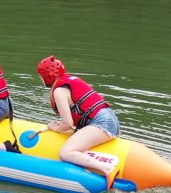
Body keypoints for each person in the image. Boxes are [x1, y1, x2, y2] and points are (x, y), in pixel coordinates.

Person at [37, 55, 120, 183]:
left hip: (101, 123)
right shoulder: (69, 80)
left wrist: (55, 127)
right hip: (109, 118)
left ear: (47, 75)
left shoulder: (58, 91)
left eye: (40, 75)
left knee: (65, 153)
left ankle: (108, 169)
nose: (40, 79)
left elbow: (68, 124)